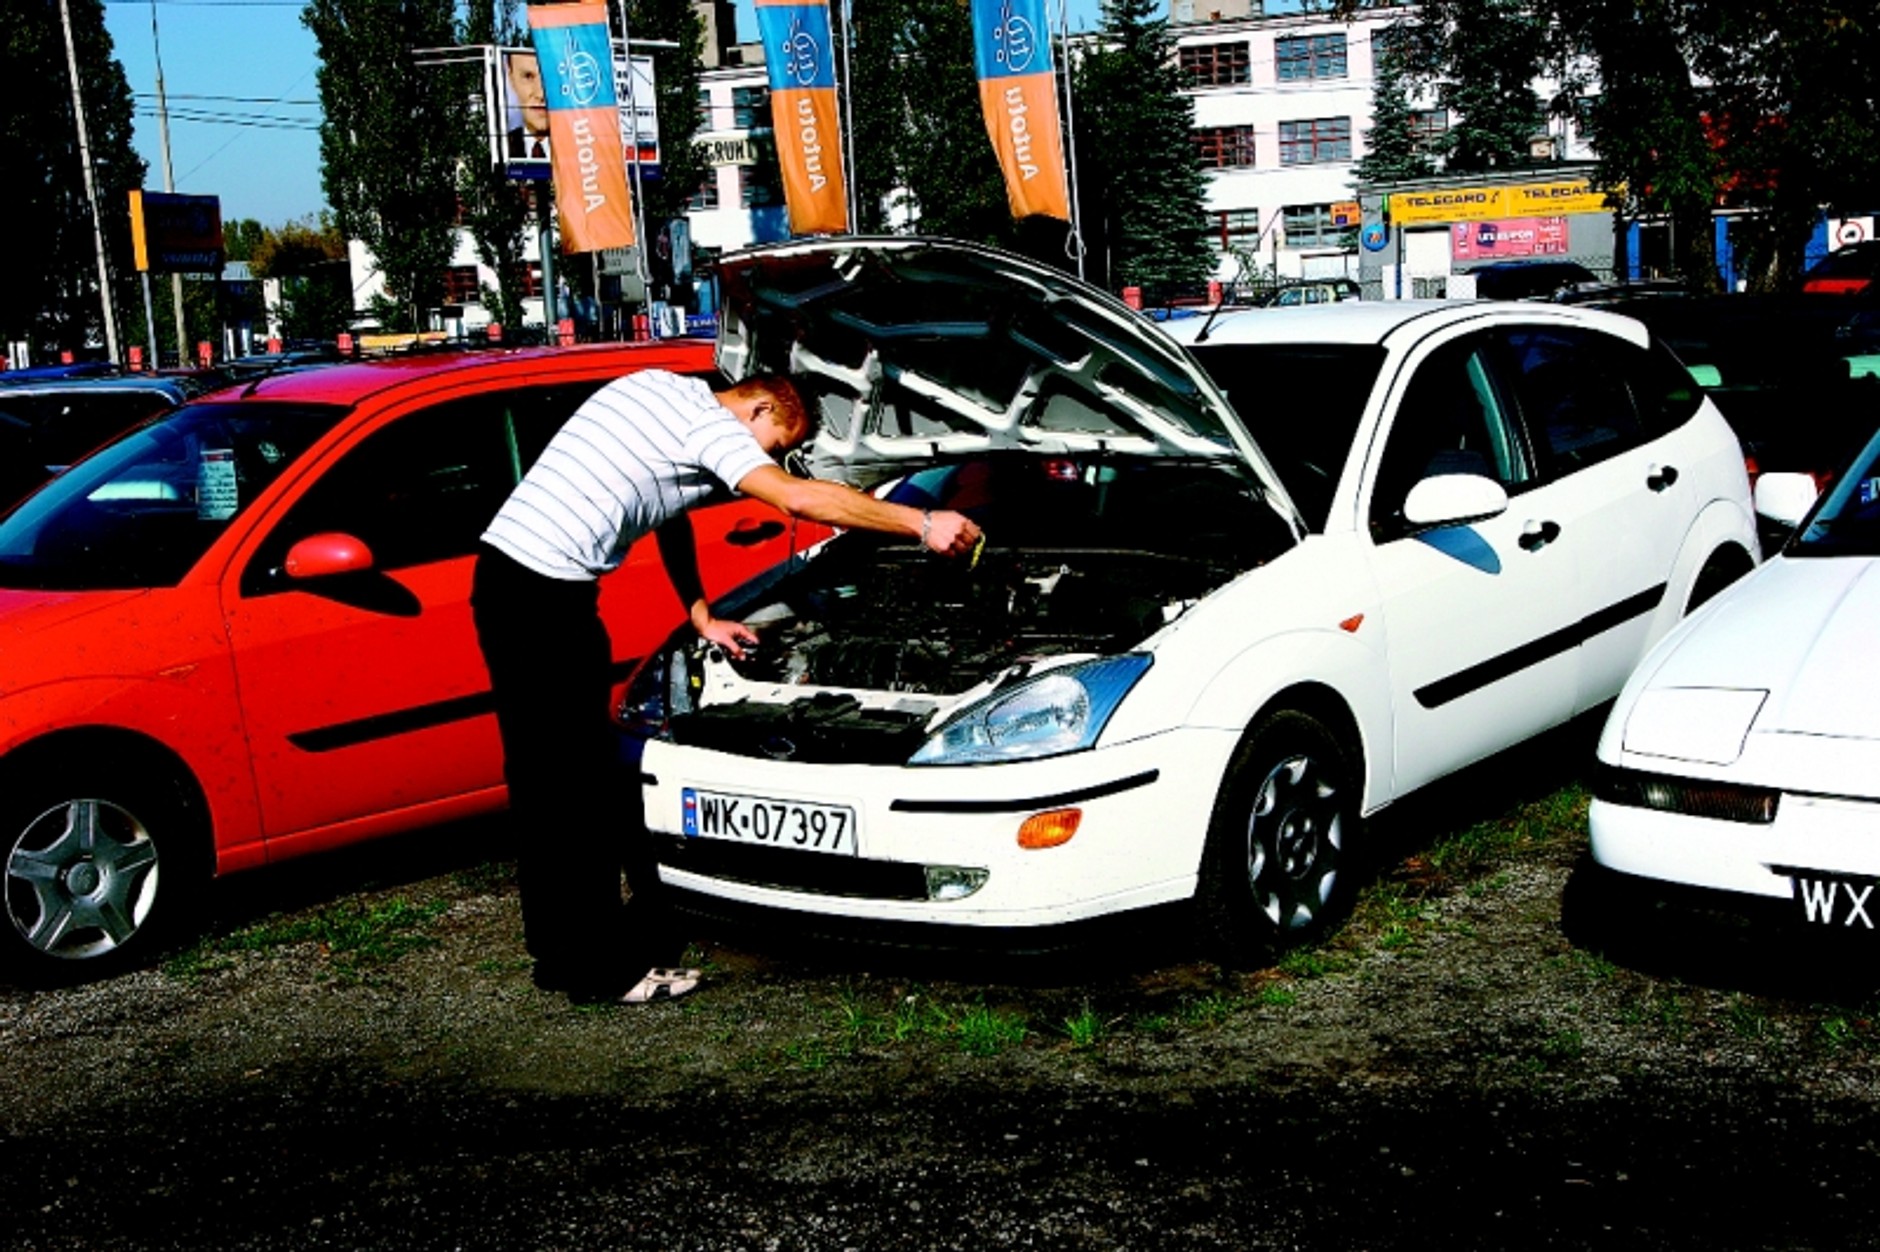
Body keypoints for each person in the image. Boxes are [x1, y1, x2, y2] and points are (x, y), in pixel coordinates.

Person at [471, 370, 981, 1005]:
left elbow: (667, 510)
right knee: (576, 786)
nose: (763, 457)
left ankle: (559, 954)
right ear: (761, 404)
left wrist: (699, 610)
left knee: (545, 783)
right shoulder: (708, 423)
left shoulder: (655, 387)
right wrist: (920, 521)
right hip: (546, 601)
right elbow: (793, 499)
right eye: (772, 442)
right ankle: (598, 969)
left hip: (507, 583)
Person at [503, 49, 550, 161]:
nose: (541, 94)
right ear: (511, 78)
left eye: (550, 76)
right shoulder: (500, 147)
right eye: (528, 76)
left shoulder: (585, 149)